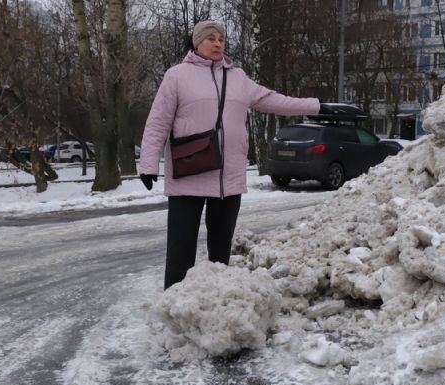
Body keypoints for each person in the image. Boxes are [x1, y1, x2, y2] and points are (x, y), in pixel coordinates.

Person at [139, 21, 325, 290]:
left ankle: (218, 301)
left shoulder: (238, 78)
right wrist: (148, 164)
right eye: (211, 39)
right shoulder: (176, 76)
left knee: (220, 252)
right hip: (189, 171)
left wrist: (316, 106)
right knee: (181, 247)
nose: (217, 44)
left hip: (229, 177)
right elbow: (158, 122)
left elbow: (275, 100)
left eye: (221, 39)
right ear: (197, 43)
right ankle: (174, 299)